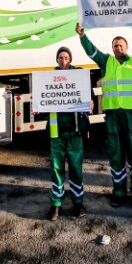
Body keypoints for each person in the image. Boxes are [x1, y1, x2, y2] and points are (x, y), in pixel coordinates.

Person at [76, 19, 132, 209]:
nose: (118, 48)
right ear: (112, 48)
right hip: (112, 117)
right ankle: (118, 191)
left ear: (126, 48)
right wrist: (82, 35)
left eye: (121, 45)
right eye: (115, 46)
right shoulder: (106, 62)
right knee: (116, 155)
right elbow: (91, 51)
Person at [45, 46, 92, 221]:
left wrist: (91, 103)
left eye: (66, 58)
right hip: (56, 133)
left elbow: (89, 97)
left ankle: (78, 202)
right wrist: (38, 107)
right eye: (60, 58)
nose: (63, 61)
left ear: (70, 59)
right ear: (56, 60)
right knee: (56, 169)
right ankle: (56, 204)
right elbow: (43, 101)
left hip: (75, 132)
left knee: (76, 168)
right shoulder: (49, 79)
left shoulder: (79, 76)